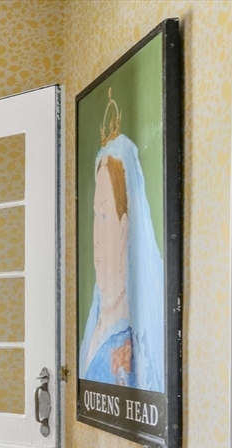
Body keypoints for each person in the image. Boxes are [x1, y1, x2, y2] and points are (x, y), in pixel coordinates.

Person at [79, 117, 165, 392]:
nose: (96, 234)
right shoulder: (97, 321)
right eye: (95, 214)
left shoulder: (128, 341)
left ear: (124, 227)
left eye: (104, 215)